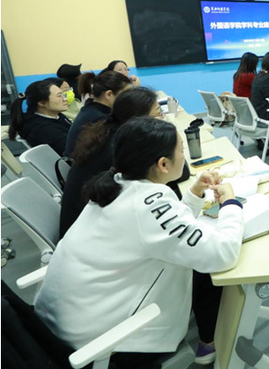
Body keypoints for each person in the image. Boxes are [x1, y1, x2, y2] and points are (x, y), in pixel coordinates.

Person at [35, 117, 244, 368]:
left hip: (59, 326)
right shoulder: (149, 202)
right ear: (163, 164)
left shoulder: (116, 184)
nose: (184, 156)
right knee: (207, 272)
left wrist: (194, 194)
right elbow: (222, 253)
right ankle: (211, 341)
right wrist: (231, 204)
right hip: (100, 344)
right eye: (181, 150)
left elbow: (161, 231)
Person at [60, 87, 161, 237]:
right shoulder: (124, 147)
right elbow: (171, 174)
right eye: (158, 114)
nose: (161, 118)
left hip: (82, 223)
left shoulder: (108, 132)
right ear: (142, 119)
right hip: (91, 233)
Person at [64, 70, 132, 157]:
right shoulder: (100, 119)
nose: (129, 98)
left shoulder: (91, 110)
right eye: (126, 94)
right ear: (109, 94)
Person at [8, 79, 72, 156]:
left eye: (63, 94)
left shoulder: (55, 115)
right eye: (59, 96)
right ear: (42, 103)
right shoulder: (43, 129)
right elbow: (74, 152)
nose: (65, 99)